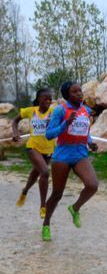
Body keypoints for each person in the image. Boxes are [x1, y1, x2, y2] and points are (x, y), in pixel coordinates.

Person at [42, 81, 98, 241]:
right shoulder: (60, 110)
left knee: (92, 185)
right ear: (68, 95)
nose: (80, 93)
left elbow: (85, 130)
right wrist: (65, 124)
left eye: (80, 90)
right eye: (75, 92)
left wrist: (90, 142)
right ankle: (46, 224)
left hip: (80, 152)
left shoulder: (85, 110)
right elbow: (49, 134)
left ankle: (75, 208)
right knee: (57, 194)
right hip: (62, 155)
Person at [12, 88, 56, 218]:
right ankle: (43, 206)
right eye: (45, 98)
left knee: (35, 173)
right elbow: (14, 121)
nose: (48, 100)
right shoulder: (31, 111)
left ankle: (24, 191)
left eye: (50, 98)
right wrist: (16, 132)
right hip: (33, 147)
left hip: (48, 149)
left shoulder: (54, 112)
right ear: (38, 99)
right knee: (45, 172)